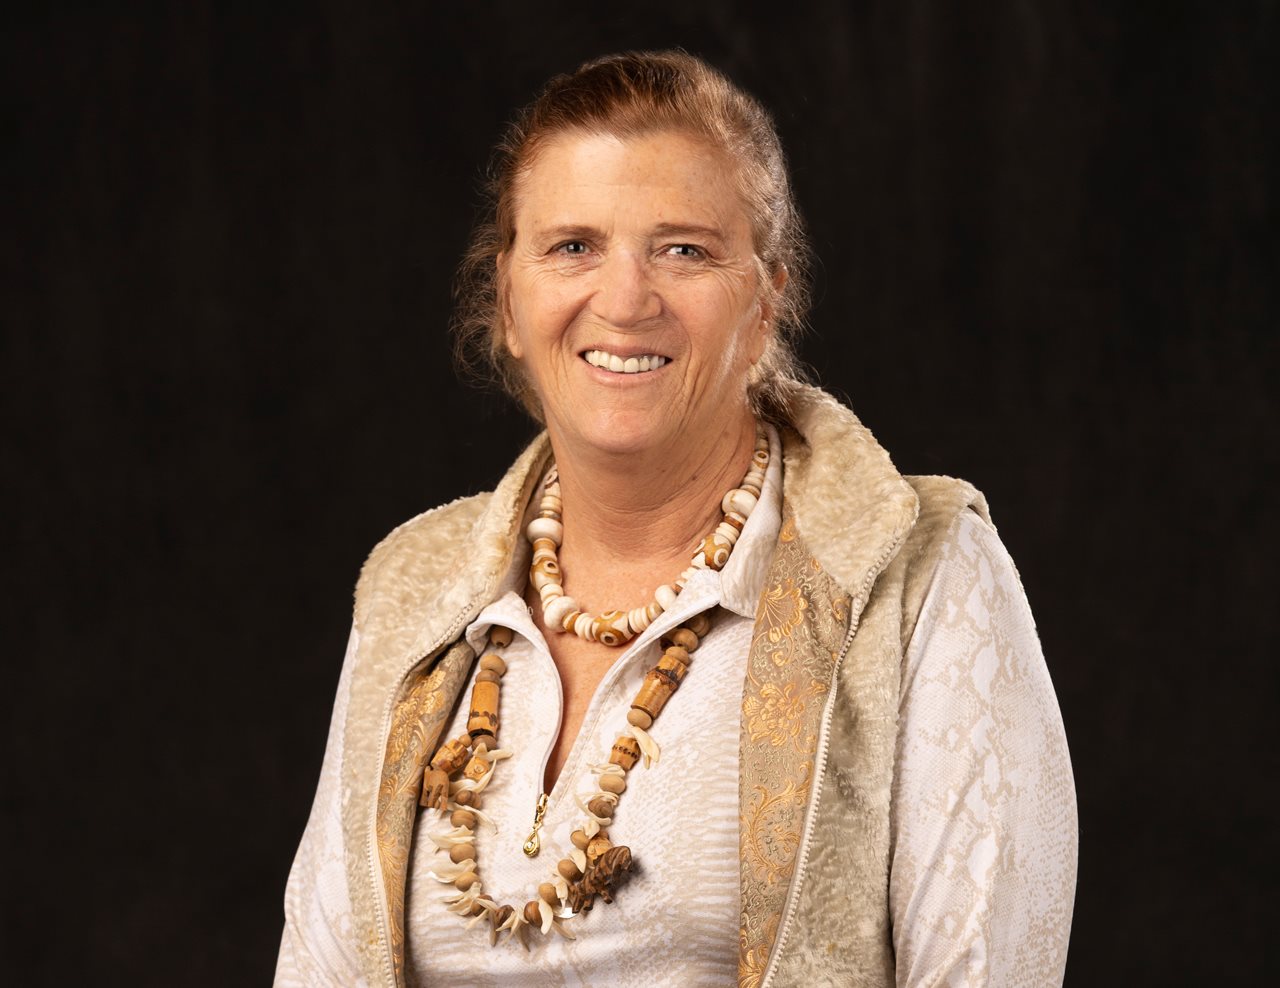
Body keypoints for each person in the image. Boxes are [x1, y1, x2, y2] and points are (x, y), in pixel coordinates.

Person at [274, 51, 1077, 988]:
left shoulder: (919, 575)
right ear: (507, 299)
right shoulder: (415, 594)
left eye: (684, 249)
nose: (624, 301)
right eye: (573, 245)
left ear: (767, 299)